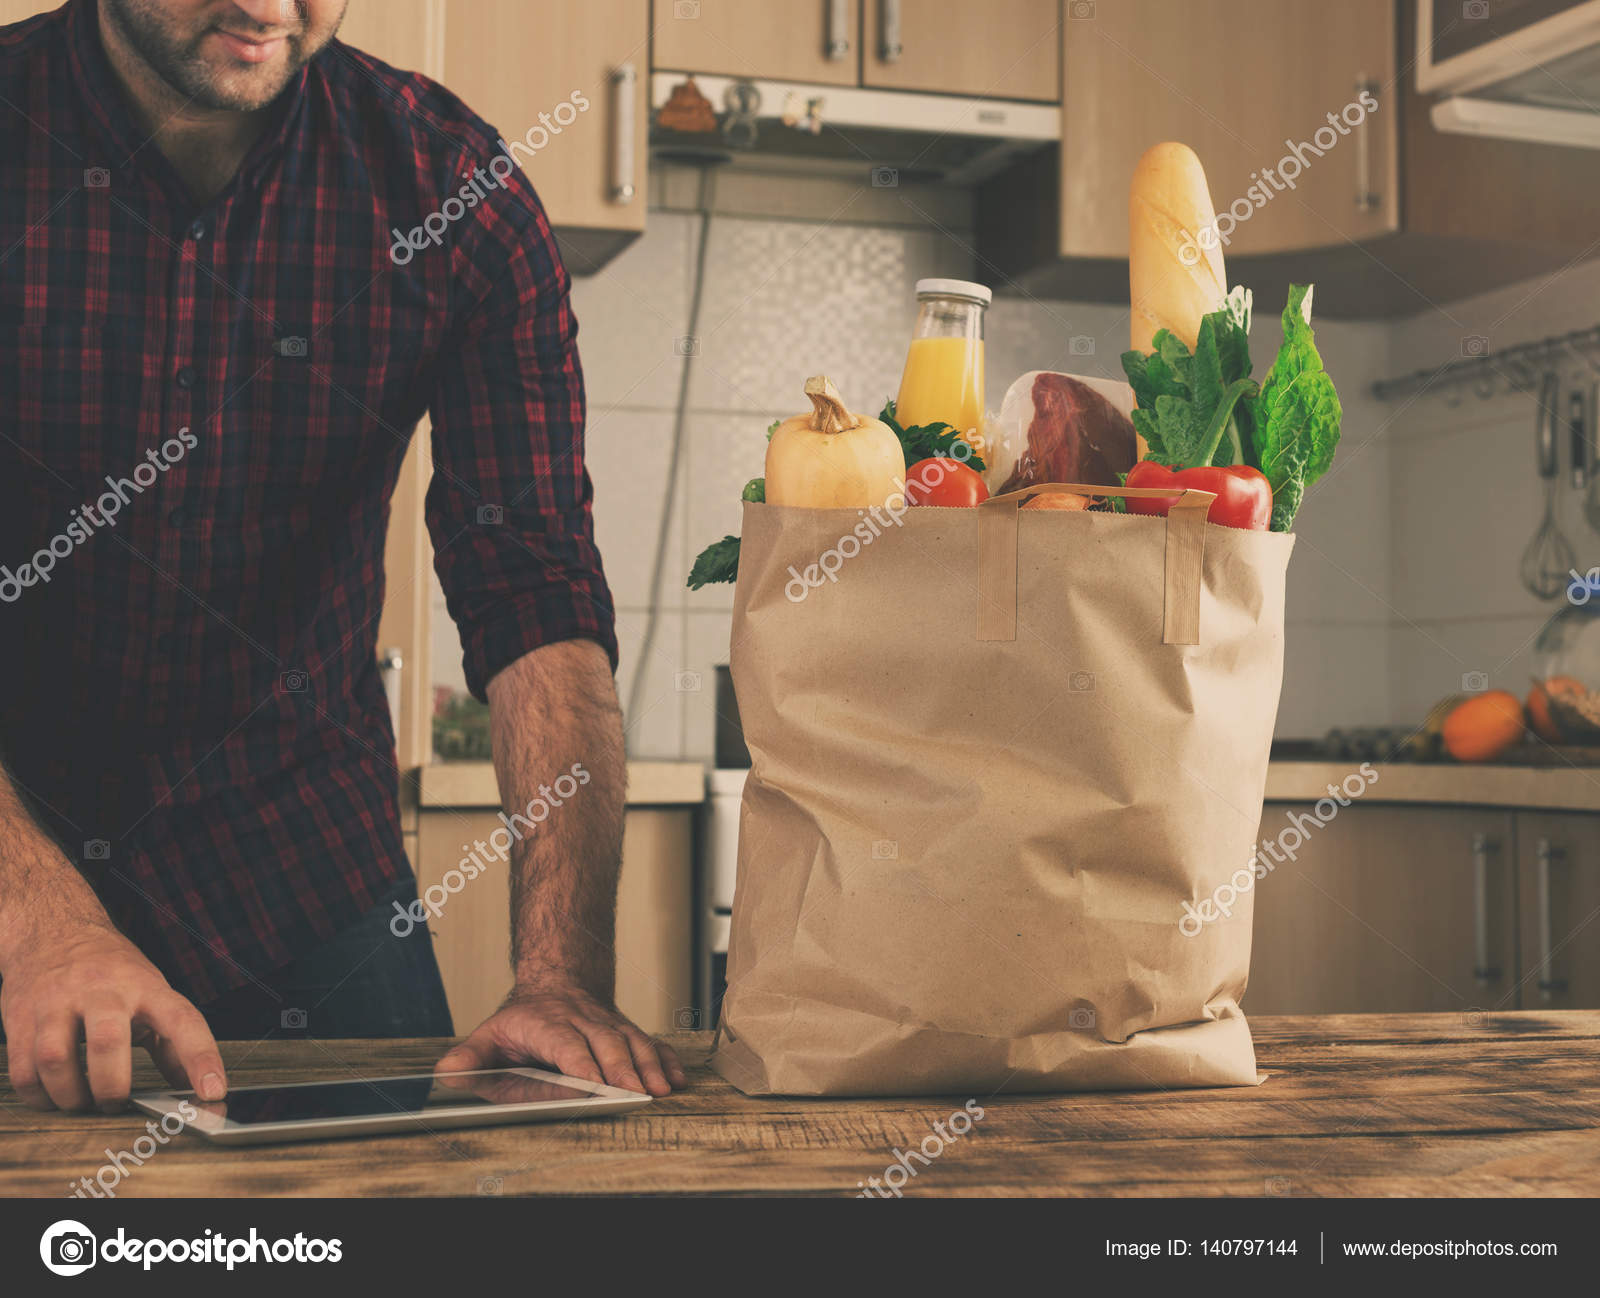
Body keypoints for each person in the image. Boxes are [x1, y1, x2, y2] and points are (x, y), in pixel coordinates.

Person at [0, 0, 684, 1113]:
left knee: (394, 1203)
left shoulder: (454, 190)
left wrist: (562, 978)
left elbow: (533, 588)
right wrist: (41, 918)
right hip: (12, 836)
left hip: (302, 861)